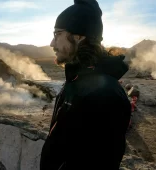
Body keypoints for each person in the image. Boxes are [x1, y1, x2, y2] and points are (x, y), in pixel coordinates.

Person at [40, 0, 132, 169]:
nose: (52, 44)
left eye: (57, 34)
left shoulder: (104, 94)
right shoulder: (77, 80)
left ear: (79, 36)